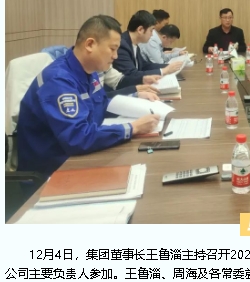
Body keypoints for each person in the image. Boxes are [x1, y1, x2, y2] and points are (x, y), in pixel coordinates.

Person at [17, 15, 160, 177]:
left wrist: (134, 100)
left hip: (77, 156)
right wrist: (132, 128)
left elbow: (101, 104)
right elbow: (77, 137)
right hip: (51, 170)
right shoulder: (58, 80)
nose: (115, 56)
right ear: (90, 44)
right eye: (112, 49)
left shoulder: (89, 71)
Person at [114, 10, 184, 84]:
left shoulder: (134, 44)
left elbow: (145, 66)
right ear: (140, 30)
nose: (152, 34)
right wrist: (164, 71)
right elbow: (131, 74)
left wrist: (168, 66)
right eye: (151, 30)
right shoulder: (122, 45)